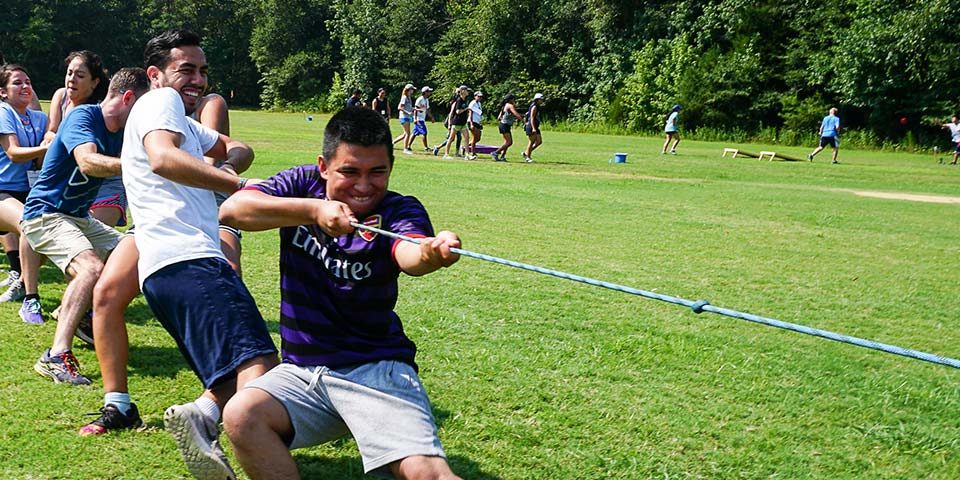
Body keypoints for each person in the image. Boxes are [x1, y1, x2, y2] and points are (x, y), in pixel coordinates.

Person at [220, 106, 463, 480]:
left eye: (377, 172)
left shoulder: (399, 208)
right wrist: (313, 211)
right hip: (303, 372)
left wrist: (432, 253)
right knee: (242, 415)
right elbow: (234, 210)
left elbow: (410, 252)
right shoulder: (300, 186)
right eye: (350, 172)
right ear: (323, 165)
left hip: (375, 369)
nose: (364, 186)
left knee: (427, 474)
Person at [86, 30, 279, 480]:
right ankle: (223, 433)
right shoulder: (160, 104)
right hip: (188, 259)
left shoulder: (181, 119)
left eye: (203, 71)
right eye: (186, 69)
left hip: (169, 267)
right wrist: (235, 184)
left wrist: (229, 160)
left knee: (240, 365)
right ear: (155, 75)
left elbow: (234, 148)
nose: (197, 79)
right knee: (259, 366)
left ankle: (202, 416)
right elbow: (162, 159)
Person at [23, 68, 149, 386]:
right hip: (45, 213)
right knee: (90, 268)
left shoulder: (124, 130)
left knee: (139, 257)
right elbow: (88, 162)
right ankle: (55, 354)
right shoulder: (84, 117)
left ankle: (83, 318)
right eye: (145, 107)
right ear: (128, 98)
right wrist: (139, 164)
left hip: (79, 217)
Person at [0, 64, 49, 323]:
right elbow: (13, 153)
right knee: (29, 225)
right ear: (3, 93)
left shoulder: (39, 118)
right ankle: (31, 298)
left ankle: (20, 281)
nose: (25, 86)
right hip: (2, 191)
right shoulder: (2, 111)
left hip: (29, 191)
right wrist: (44, 148)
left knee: (45, 236)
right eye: (17, 83)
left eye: (28, 82)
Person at [191, 91, 245, 276]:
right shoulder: (160, 111)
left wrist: (228, 169)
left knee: (228, 270)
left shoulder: (210, 103)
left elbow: (209, 163)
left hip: (212, 198)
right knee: (111, 285)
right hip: (172, 200)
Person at [492, 94, 523, 162]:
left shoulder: (505, 106)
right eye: (513, 99)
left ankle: (502, 156)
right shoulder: (510, 105)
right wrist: (522, 119)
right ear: (510, 99)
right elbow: (515, 114)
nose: (514, 100)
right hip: (504, 125)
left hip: (505, 125)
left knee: (506, 142)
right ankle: (495, 153)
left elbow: (499, 117)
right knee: (509, 142)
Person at [443, 86, 471, 159]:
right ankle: (446, 154)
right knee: (451, 139)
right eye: (466, 90)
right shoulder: (459, 100)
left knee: (467, 137)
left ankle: (467, 155)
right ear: (462, 91)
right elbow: (458, 111)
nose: (468, 92)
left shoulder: (465, 100)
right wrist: (466, 109)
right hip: (457, 122)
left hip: (463, 123)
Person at [392, 83, 415, 154]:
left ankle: (392, 143)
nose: (413, 91)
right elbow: (400, 107)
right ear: (409, 90)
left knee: (405, 134)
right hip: (404, 117)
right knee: (408, 133)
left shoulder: (409, 97)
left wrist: (415, 109)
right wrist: (408, 112)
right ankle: (405, 149)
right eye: (412, 89)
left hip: (407, 117)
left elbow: (409, 107)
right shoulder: (404, 97)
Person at [522, 93, 544, 163]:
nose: (542, 100)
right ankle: (528, 157)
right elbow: (531, 118)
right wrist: (533, 128)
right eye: (541, 99)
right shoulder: (534, 107)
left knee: (539, 141)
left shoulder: (537, 106)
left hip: (535, 126)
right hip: (531, 126)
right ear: (537, 100)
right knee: (531, 142)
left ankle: (526, 153)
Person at [410, 86, 433, 151]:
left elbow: (427, 110)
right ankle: (426, 148)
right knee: (424, 133)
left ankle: (408, 146)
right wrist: (415, 118)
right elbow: (415, 109)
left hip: (422, 118)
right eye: (429, 91)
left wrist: (431, 117)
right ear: (425, 92)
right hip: (418, 119)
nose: (430, 93)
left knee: (415, 133)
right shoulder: (420, 99)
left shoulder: (426, 100)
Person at [467, 91, 484, 160]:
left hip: (477, 122)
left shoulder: (479, 103)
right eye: (478, 96)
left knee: (478, 138)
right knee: (475, 137)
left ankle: (465, 147)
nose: (480, 98)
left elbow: (479, 113)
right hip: (472, 121)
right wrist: (471, 123)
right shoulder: (473, 103)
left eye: (481, 97)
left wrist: (480, 122)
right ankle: (473, 152)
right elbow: (470, 113)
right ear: (475, 96)